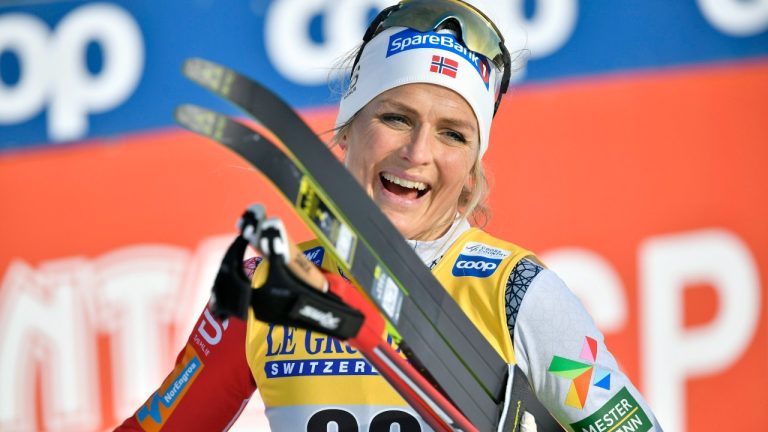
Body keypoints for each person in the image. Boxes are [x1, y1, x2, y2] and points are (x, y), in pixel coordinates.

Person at [117, 1, 662, 430]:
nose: (418, 152)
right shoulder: (271, 287)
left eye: (452, 133)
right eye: (397, 118)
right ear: (347, 128)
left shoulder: (516, 293)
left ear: (472, 167)